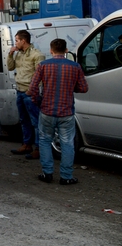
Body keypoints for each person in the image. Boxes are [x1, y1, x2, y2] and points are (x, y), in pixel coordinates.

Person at [27, 39, 88, 185]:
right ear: (66, 50)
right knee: (67, 143)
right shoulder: (75, 66)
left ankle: (47, 173)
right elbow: (84, 88)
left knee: (45, 141)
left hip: (47, 111)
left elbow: (32, 89)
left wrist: (37, 101)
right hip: (66, 112)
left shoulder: (43, 65)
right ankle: (66, 177)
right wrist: (71, 88)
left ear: (51, 50)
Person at [7, 29, 45, 158]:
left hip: (30, 92)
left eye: (17, 40)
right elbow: (10, 67)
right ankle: (26, 144)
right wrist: (10, 54)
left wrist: (34, 91)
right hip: (20, 90)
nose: (15, 43)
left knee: (36, 120)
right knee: (24, 119)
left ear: (24, 41)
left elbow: (40, 75)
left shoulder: (36, 54)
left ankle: (39, 148)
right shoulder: (18, 54)